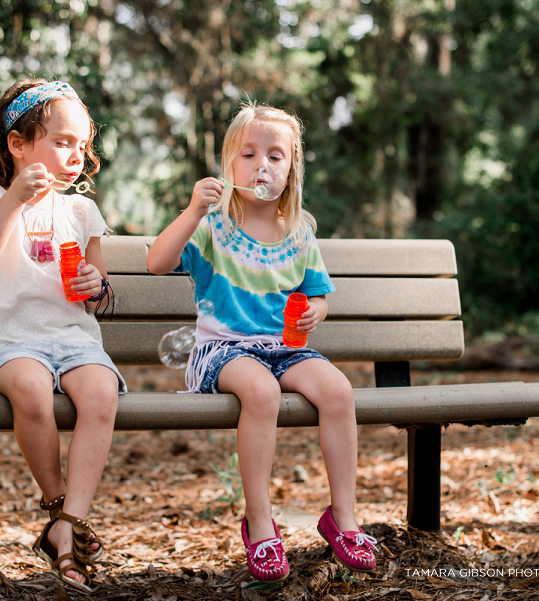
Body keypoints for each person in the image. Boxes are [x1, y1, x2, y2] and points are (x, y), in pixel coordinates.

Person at [146, 104, 377, 582]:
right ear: (230, 164)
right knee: (262, 393)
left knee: (338, 392)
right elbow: (156, 262)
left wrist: (317, 311)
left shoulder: (299, 233)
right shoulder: (213, 227)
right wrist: (193, 210)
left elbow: (317, 294)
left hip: (285, 347)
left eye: (276, 155)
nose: (262, 166)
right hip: (223, 350)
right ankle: (260, 523)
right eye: (248, 154)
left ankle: (344, 517)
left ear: (292, 169)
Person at [0, 79, 125, 593]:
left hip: (73, 337)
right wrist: (14, 201)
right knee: (29, 389)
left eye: (83, 145)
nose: (76, 155)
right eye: (63, 141)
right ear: (18, 144)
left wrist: (97, 284)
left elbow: (96, 289)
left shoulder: (80, 211)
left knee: (101, 392)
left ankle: (69, 523)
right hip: (9, 339)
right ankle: (56, 505)